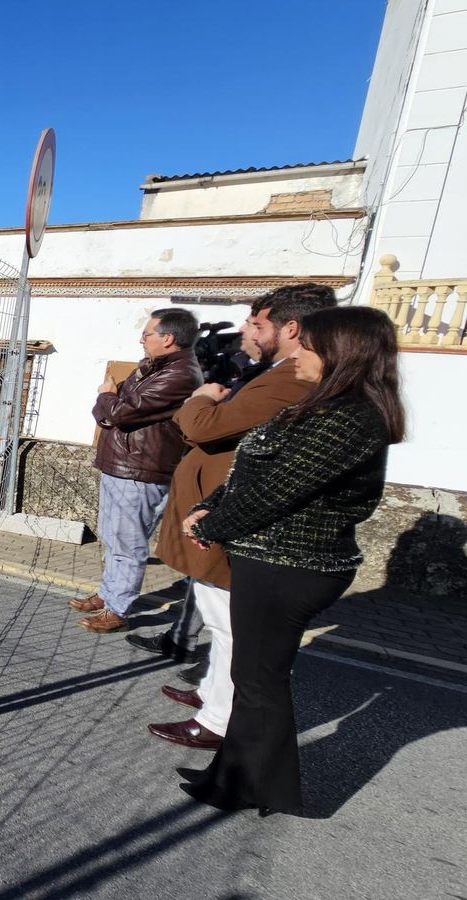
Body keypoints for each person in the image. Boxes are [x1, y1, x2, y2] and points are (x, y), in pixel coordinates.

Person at [176, 305, 404, 816]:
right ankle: (232, 776)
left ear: (341, 354)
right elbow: (251, 472)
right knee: (253, 678)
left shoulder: (349, 419)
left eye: (310, 344)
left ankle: (257, 787)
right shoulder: (319, 406)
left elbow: (277, 491)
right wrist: (211, 505)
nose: (297, 350)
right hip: (272, 558)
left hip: (291, 564)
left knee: (260, 680)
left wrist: (211, 526)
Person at [135, 285, 336, 753]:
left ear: (291, 328)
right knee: (217, 616)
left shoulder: (291, 379)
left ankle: (218, 720)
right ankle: (212, 692)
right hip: (220, 509)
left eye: (257, 323)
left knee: (228, 625)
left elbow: (202, 426)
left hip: (231, 516)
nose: (246, 329)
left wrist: (202, 397)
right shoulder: (276, 372)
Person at [72, 308, 202, 633]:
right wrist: (110, 404)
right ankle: (108, 593)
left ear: (168, 338)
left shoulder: (179, 375)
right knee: (113, 536)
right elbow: (114, 411)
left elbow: (119, 412)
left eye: (146, 335)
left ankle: (118, 609)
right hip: (124, 464)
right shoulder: (154, 367)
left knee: (128, 543)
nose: (141, 340)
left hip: (140, 469)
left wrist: (106, 396)